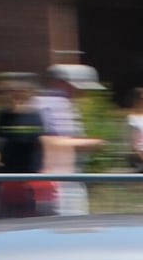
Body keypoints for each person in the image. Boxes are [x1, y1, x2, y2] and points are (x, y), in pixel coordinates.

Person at [38, 64, 103, 216]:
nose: (83, 92)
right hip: (57, 180)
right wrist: (88, 143)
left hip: (71, 176)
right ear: (61, 83)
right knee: (65, 225)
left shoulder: (64, 104)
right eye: (79, 87)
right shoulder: (53, 105)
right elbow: (51, 141)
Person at [0, 74, 49, 218]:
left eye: (18, 91)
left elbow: (35, 142)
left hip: (28, 177)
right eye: (9, 91)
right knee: (5, 218)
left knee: (28, 218)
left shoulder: (34, 116)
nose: (14, 95)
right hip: (6, 177)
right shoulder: (2, 116)